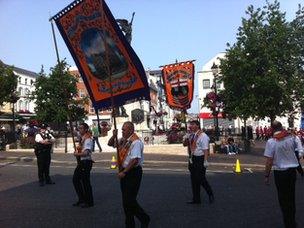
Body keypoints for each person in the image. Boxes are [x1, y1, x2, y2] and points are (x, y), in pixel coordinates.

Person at [108, 121, 150, 228]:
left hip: (132, 172)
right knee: (126, 201)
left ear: (131, 130)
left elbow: (135, 160)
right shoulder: (124, 140)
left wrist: (124, 172)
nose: (122, 131)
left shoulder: (135, 142)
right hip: (124, 171)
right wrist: (113, 136)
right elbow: (110, 144)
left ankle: (144, 218)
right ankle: (129, 224)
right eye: (122, 129)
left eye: (124, 129)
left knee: (129, 200)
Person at [264, 121, 303, 228]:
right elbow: (300, 151)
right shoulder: (292, 138)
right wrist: (297, 157)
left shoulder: (271, 142)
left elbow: (269, 161)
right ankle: (292, 221)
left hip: (280, 173)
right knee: (291, 197)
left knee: (283, 199)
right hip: (292, 172)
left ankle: (288, 223)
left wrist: (266, 176)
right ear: (281, 127)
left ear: (272, 129)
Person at [183, 120, 214, 204]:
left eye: (192, 125)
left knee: (200, 178)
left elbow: (205, 149)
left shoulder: (203, 136)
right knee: (193, 179)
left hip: (200, 158)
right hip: (192, 158)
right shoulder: (192, 135)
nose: (190, 126)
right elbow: (185, 144)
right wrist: (186, 138)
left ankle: (210, 193)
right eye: (190, 125)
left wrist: (205, 160)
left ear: (197, 125)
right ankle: (196, 199)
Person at [73, 123, 94, 208]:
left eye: (81, 128)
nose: (79, 130)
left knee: (85, 182)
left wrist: (77, 154)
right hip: (81, 162)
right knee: (76, 180)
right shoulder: (83, 138)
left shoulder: (88, 139)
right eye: (79, 128)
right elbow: (75, 132)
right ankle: (82, 198)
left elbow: (86, 153)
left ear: (86, 129)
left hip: (86, 162)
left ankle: (89, 201)